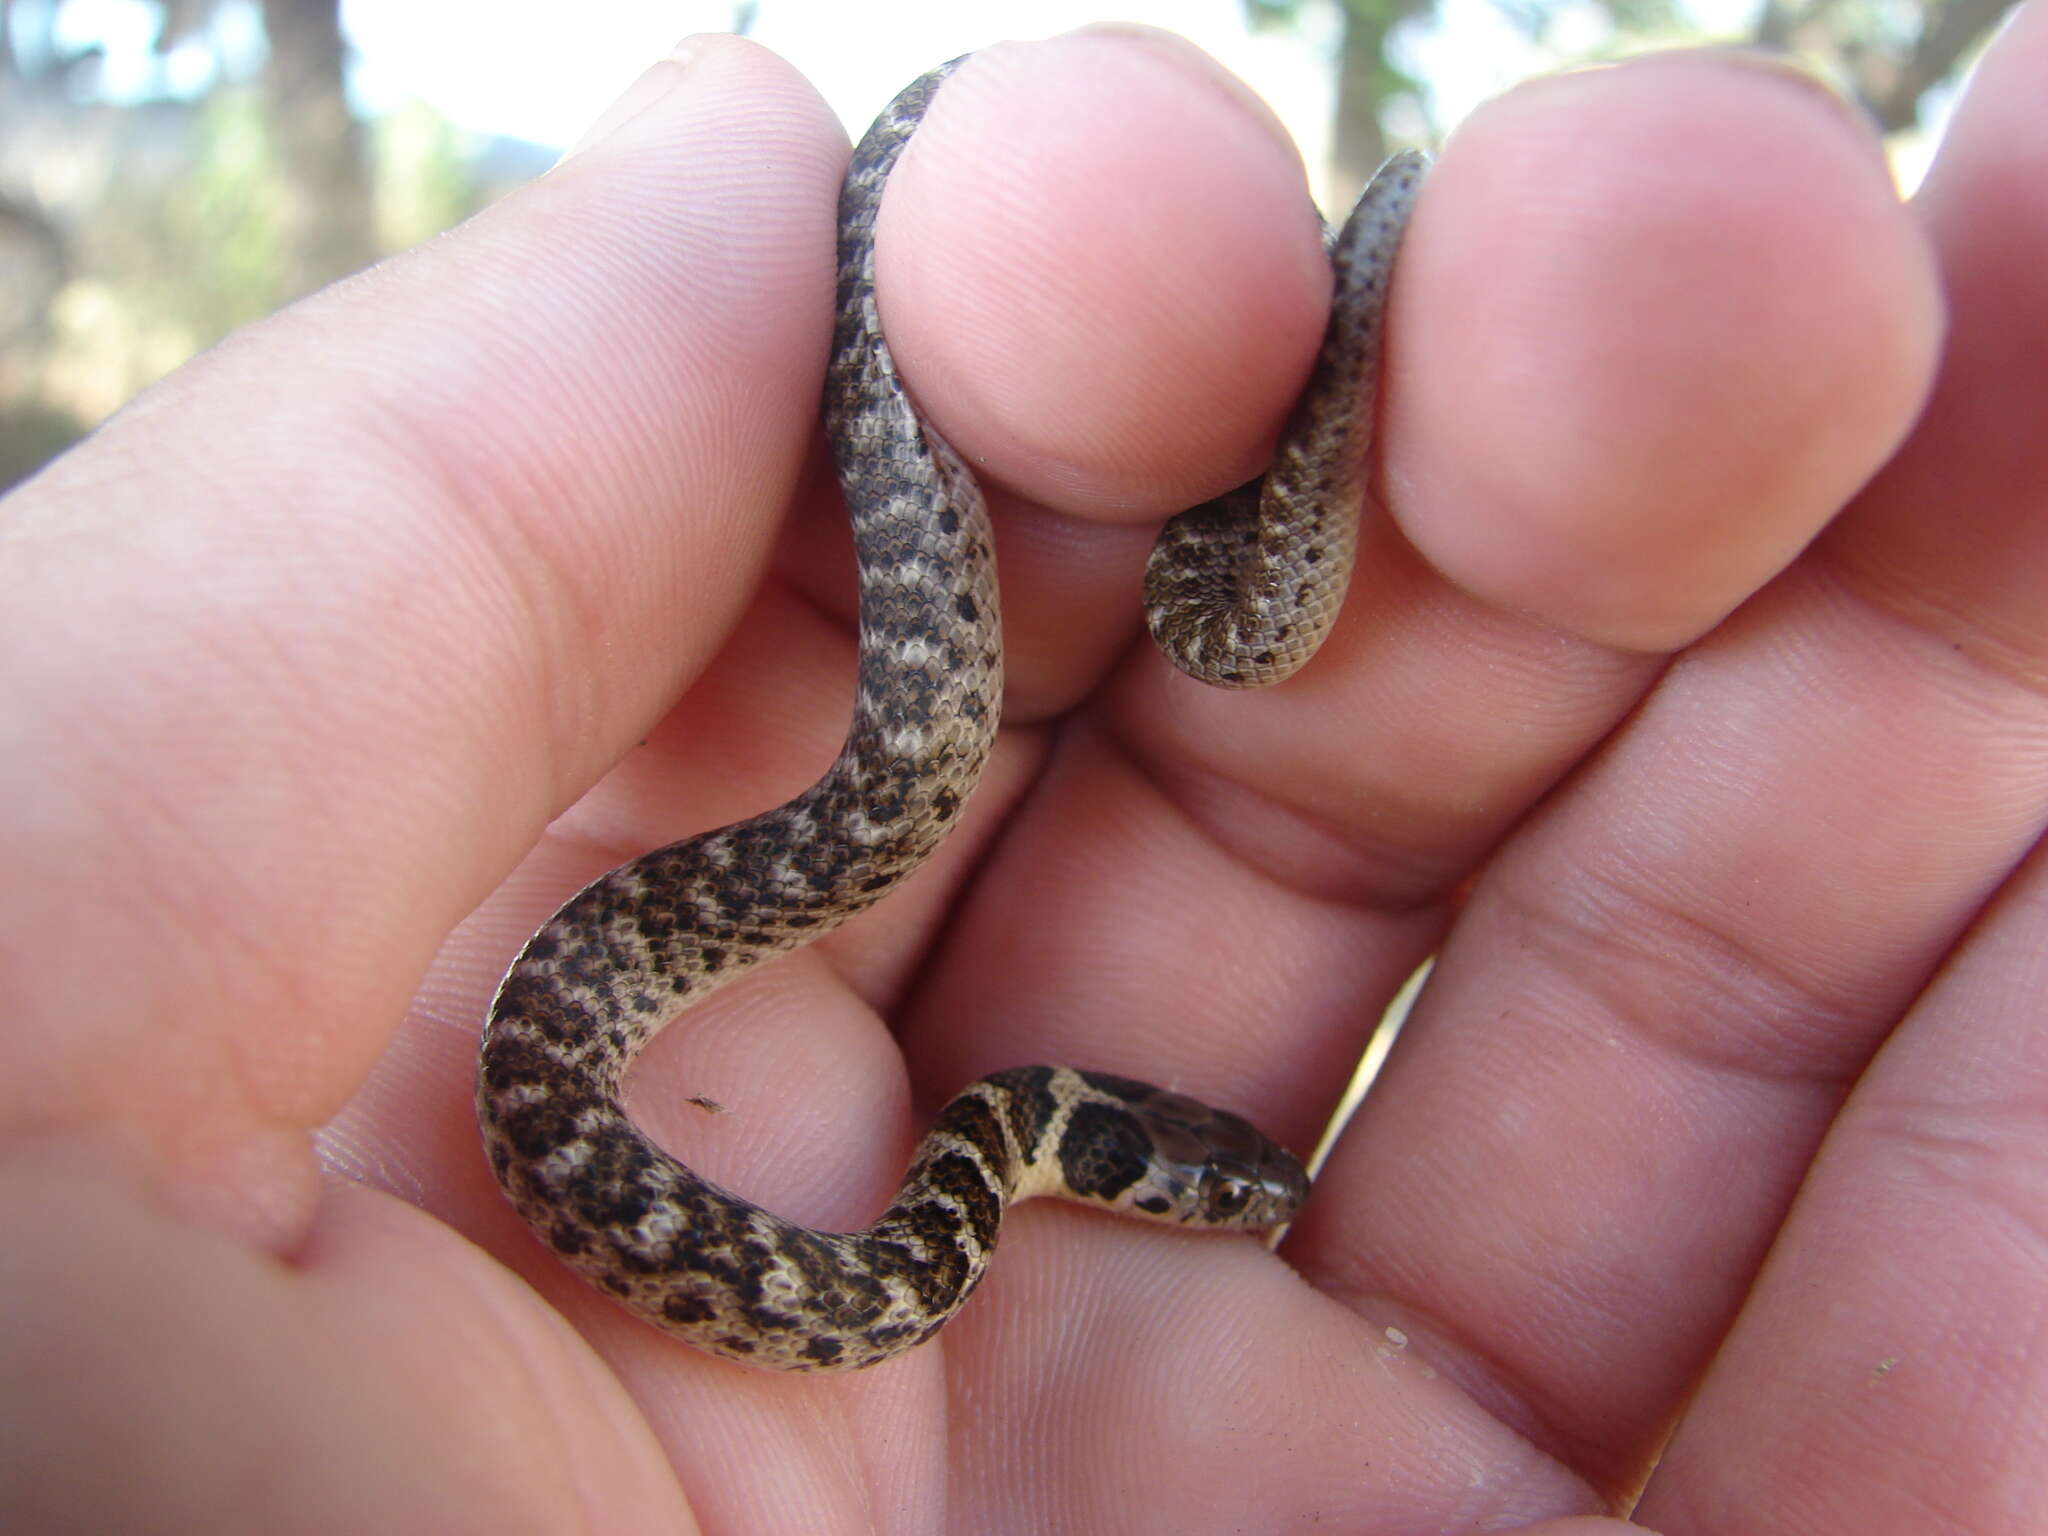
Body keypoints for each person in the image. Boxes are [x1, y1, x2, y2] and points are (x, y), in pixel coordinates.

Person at [3, 16, 2043, 1532]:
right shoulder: (902, 1252)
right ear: (1094, 1165)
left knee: (1162, 480)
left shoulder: (941, 1216)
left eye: (1222, 1187)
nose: (1228, 1204)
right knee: (1106, 369)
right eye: (1208, 1190)